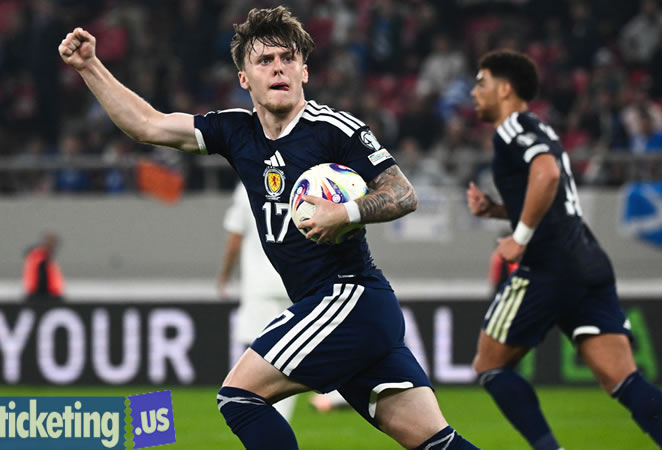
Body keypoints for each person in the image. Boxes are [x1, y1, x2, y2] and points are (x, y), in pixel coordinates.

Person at [59, 7, 477, 450]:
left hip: (350, 297)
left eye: (287, 58)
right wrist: (90, 66)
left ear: (304, 71)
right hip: (338, 309)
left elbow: (403, 193)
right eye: (264, 60)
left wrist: (345, 213)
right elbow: (147, 124)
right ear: (244, 78)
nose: (278, 68)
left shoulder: (333, 129)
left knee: (239, 396)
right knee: (436, 443)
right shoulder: (236, 131)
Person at [467, 49, 662, 450]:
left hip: (546, 267)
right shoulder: (541, 130)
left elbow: (547, 174)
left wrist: (519, 237)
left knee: (490, 365)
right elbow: (550, 195)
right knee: (622, 379)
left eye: (481, 83)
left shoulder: (513, 129)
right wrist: (497, 210)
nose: (473, 92)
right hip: (586, 261)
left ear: (505, 89)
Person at [217, 182, 297, 422]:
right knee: (289, 356)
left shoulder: (246, 186)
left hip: (260, 287)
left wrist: (224, 275)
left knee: (261, 354)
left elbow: (235, 239)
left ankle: (269, 417)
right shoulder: (299, 178)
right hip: (296, 284)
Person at [23, 231, 65, 301]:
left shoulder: (43, 257)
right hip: (43, 296)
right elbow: (42, 279)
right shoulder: (40, 257)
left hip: (43, 295)